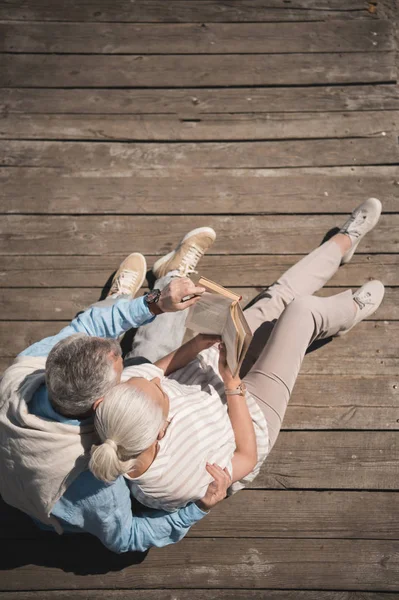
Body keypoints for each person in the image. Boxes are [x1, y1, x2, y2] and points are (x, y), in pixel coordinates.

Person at [88, 199, 385, 512]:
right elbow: (247, 456)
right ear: (162, 429)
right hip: (252, 415)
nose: (160, 382)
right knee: (302, 311)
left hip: (210, 369)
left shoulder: (127, 399)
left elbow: (160, 368)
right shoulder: (173, 483)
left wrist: (197, 344)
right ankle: (348, 312)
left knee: (276, 299)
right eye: (162, 393)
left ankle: (344, 240)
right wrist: (232, 385)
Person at [0, 227, 233, 553]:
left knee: (116, 330)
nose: (119, 356)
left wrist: (155, 303)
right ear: (101, 403)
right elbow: (125, 538)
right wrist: (197, 509)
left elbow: (89, 326)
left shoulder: (27, 368)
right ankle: (169, 276)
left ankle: (130, 295)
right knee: (148, 359)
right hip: (57, 509)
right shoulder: (92, 481)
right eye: (121, 370)